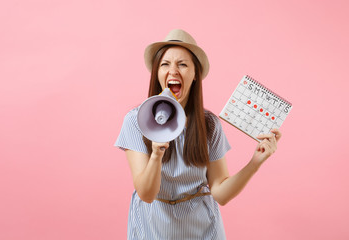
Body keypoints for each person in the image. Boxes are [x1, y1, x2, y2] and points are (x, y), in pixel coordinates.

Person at [115, 29, 282, 240]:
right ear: (157, 73)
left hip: (201, 229)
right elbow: (146, 194)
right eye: (165, 64)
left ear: (195, 75)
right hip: (151, 227)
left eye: (182, 64)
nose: (173, 71)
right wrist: (157, 153)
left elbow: (220, 193)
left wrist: (255, 162)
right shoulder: (135, 121)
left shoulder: (209, 125)